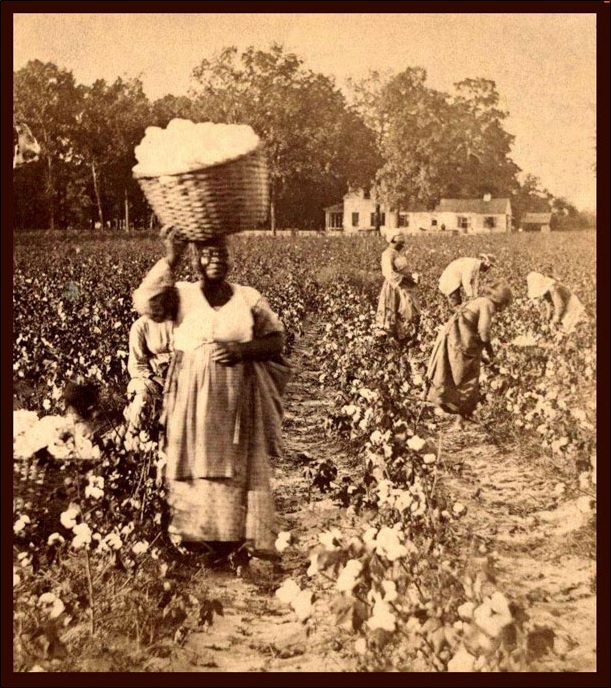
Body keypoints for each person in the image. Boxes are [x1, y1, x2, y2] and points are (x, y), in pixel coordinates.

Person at [132, 227, 289, 566]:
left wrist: (242, 349)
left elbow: (276, 340)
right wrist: (169, 259)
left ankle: (233, 541)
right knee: (196, 459)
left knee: (235, 461)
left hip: (238, 393)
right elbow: (146, 304)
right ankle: (198, 541)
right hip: (192, 394)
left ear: (231, 260)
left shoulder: (248, 297)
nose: (215, 259)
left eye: (221, 254)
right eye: (206, 254)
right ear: (196, 261)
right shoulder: (181, 294)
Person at [426, 281, 512, 429]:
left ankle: (460, 416)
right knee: (468, 379)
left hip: (455, 338)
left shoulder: (478, 300)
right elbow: (484, 332)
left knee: (453, 376)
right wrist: (491, 355)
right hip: (461, 342)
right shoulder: (487, 304)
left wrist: (484, 358)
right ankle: (461, 420)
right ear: (502, 301)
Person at [126, 286, 175, 433]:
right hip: (151, 378)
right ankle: (134, 436)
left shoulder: (179, 322)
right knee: (143, 396)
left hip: (179, 375)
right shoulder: (140, 327)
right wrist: (156, 378)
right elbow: (136, 364)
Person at [374, 233, 420, 343]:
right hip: (394, 286)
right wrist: (404, 279)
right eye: (400, 243)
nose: (402, 246)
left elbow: (405, 269)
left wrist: (412, 276)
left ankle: (405, 336)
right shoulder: (387, 254)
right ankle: (392, 338)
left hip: (405, 285)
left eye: (403, 244)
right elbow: (388, 272)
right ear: (393, 242)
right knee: (393, 310)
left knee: (407, 310)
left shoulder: (399, 254)